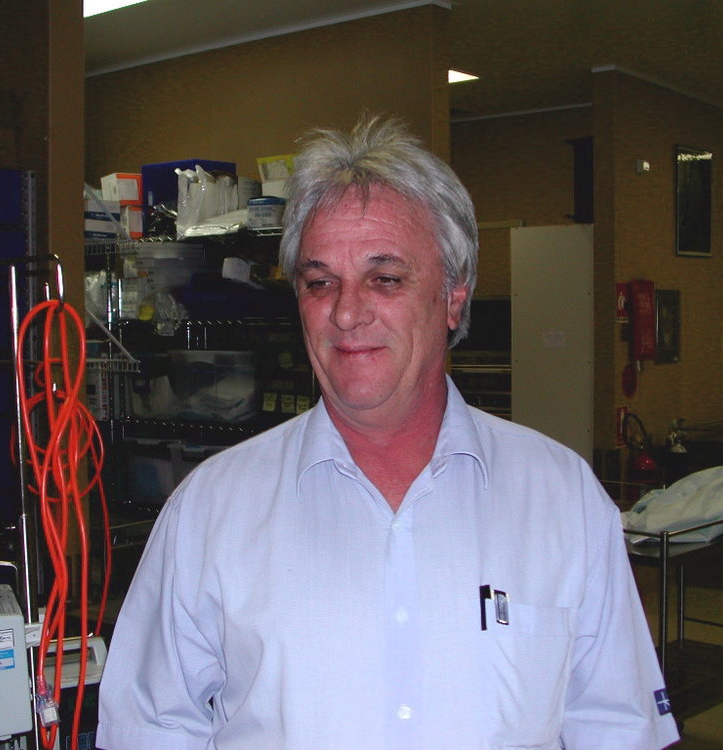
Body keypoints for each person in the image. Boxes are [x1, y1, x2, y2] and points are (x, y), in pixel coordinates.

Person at [96, 114, 679, 750]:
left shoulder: (562, 498)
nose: (347, 313)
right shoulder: (210, 510)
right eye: (320, 282)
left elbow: (618, 728)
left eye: (386, 279)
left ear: (454, 297)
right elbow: (148, 728)